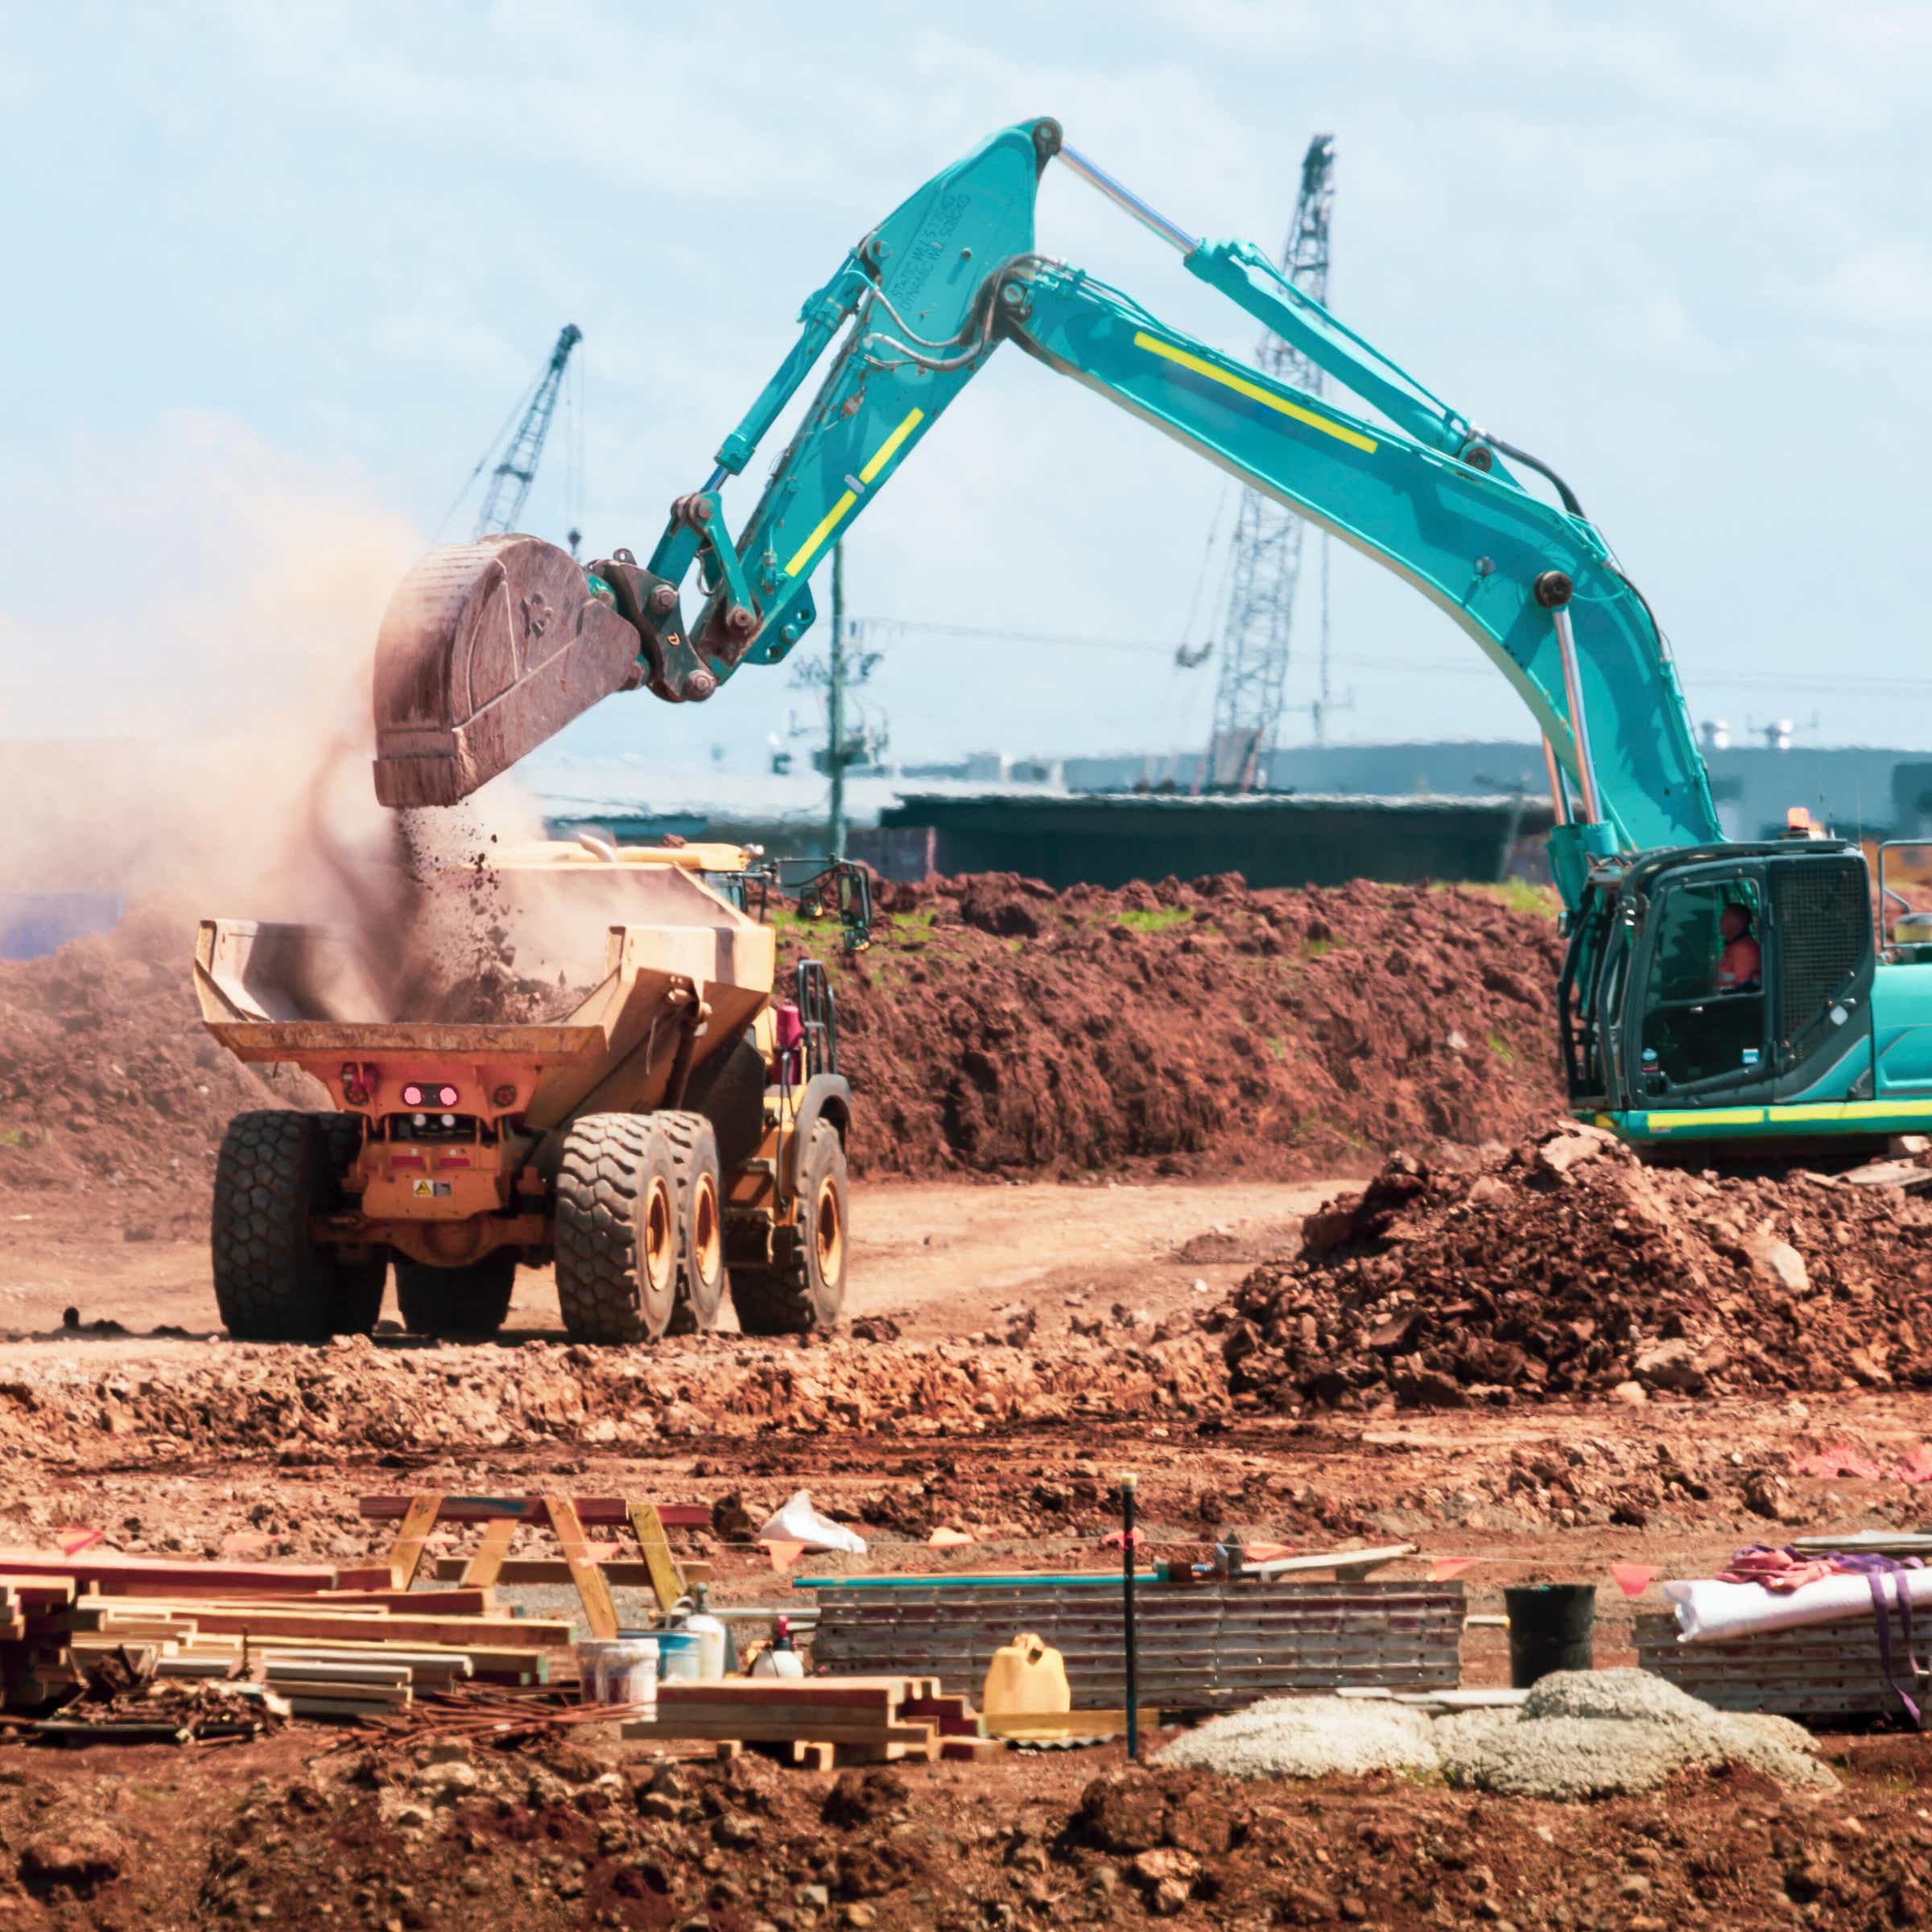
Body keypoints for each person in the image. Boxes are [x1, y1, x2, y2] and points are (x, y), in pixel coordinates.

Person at [1716, 902, 1762, 993]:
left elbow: (1740, 993)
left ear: (1737, 922)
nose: (1720, 921)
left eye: (1725, 918)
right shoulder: (1733, 947)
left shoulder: (1744, 951)